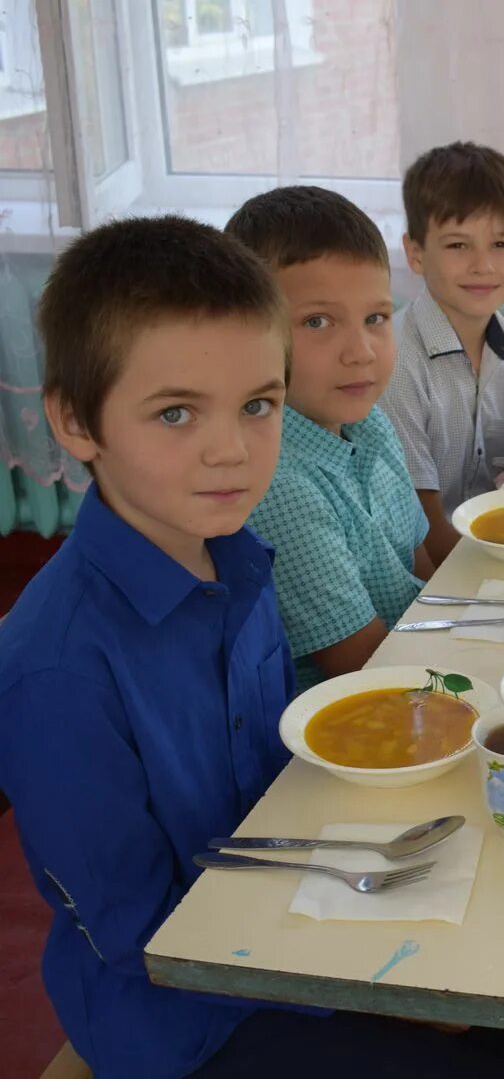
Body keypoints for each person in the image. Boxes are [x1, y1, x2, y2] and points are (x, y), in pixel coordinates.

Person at [0, 215, 296, 1077]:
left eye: (259, 405)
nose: (232, 449)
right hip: (182, 1022)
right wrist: (358, 980)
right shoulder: (56, 671)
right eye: (175, 413)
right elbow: (146, 941)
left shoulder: (237, 558)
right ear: (75, 421)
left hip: (286, 921)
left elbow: (279, 786)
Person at [227, 185, 432, 690]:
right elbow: (363, 670)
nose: (360, 351)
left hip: (412, 653)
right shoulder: (280, 485)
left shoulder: (371, 423)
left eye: (376, 318)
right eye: (318, 322)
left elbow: (423, 567)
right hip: (354, 716)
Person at [381, 141, 504, 565]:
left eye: (501, 244)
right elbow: (423, 526)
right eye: (458, 246)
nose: (483, 265)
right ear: (416, 253)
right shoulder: (396, 361)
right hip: (428, 573)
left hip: (489, 547)